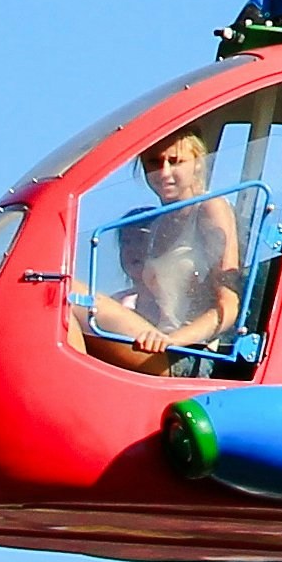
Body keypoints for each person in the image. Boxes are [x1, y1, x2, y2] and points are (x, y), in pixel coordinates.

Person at [80, 123, 251, 377]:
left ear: (197, 162)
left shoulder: (209, 208)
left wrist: (173, 340)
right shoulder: (157, 223)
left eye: (175, 161)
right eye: (154, 163)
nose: (164, 172)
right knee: (60, 307)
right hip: (154, 342)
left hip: (190, 355)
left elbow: (229, 305)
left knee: (72, 292)